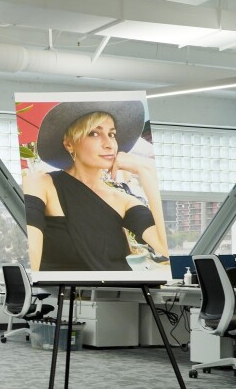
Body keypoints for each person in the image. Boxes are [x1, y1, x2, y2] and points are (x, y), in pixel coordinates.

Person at [23, 100, 169, 271]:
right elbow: (30, 255)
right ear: (69, 143)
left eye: (112, 134)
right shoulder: (40, 184)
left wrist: (146, 171)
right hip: (65, 295)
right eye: (94, 133)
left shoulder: (123, 201)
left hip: (121, 294)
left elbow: (164, 247)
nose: (109, 144)